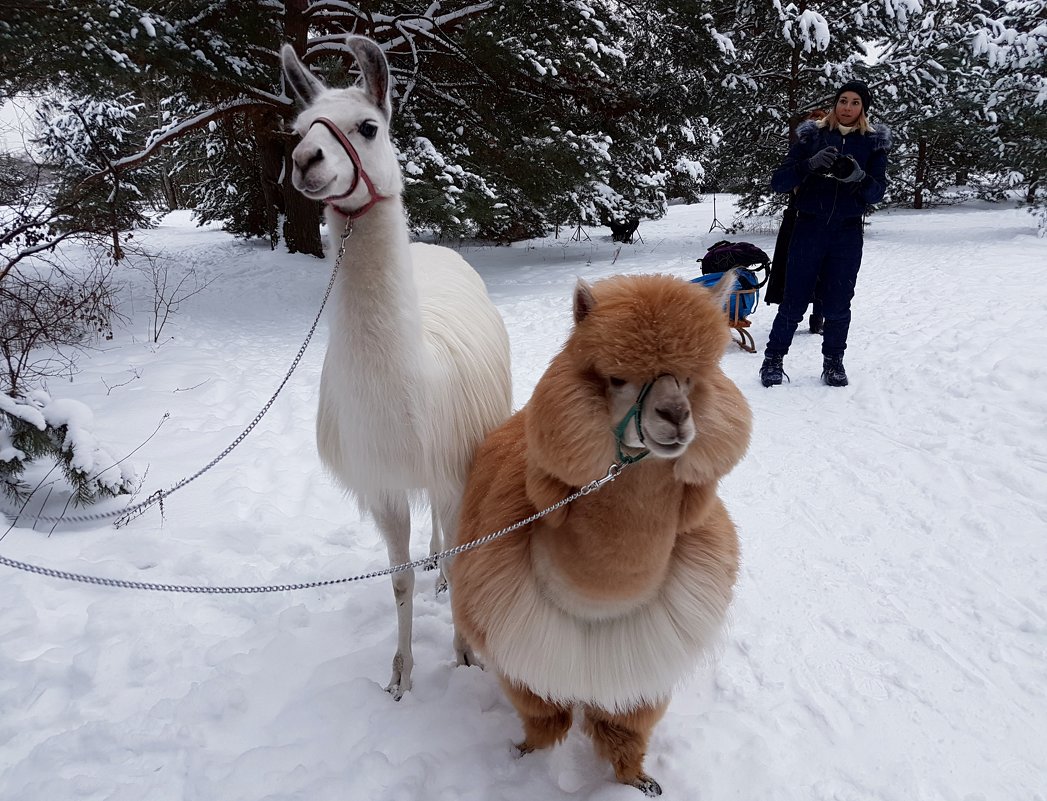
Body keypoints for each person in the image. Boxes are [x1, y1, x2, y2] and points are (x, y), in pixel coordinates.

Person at [759, 80, 891, 387]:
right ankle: (773, 360)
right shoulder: (812, 136)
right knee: (793, 300)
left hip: (846, 233)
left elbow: (877, 193)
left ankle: (834, 363)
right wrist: (809, 164)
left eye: (855, 102)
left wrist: (858, 177)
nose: (847, 107)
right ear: (835, 103)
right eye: (843, 100)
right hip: (808, 228)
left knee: (838, 302)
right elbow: (779, 181)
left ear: (863, 108)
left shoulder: (873, 143)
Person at [766, 109, 827, 334]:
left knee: (823, 272)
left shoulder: (834, 147)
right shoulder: (799, 150)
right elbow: (782, 180)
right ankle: (788, 317)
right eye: (810, 124)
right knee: (791, 270)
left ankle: (818, 317)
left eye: (818, 123)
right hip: (797, 216)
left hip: (822, 219)